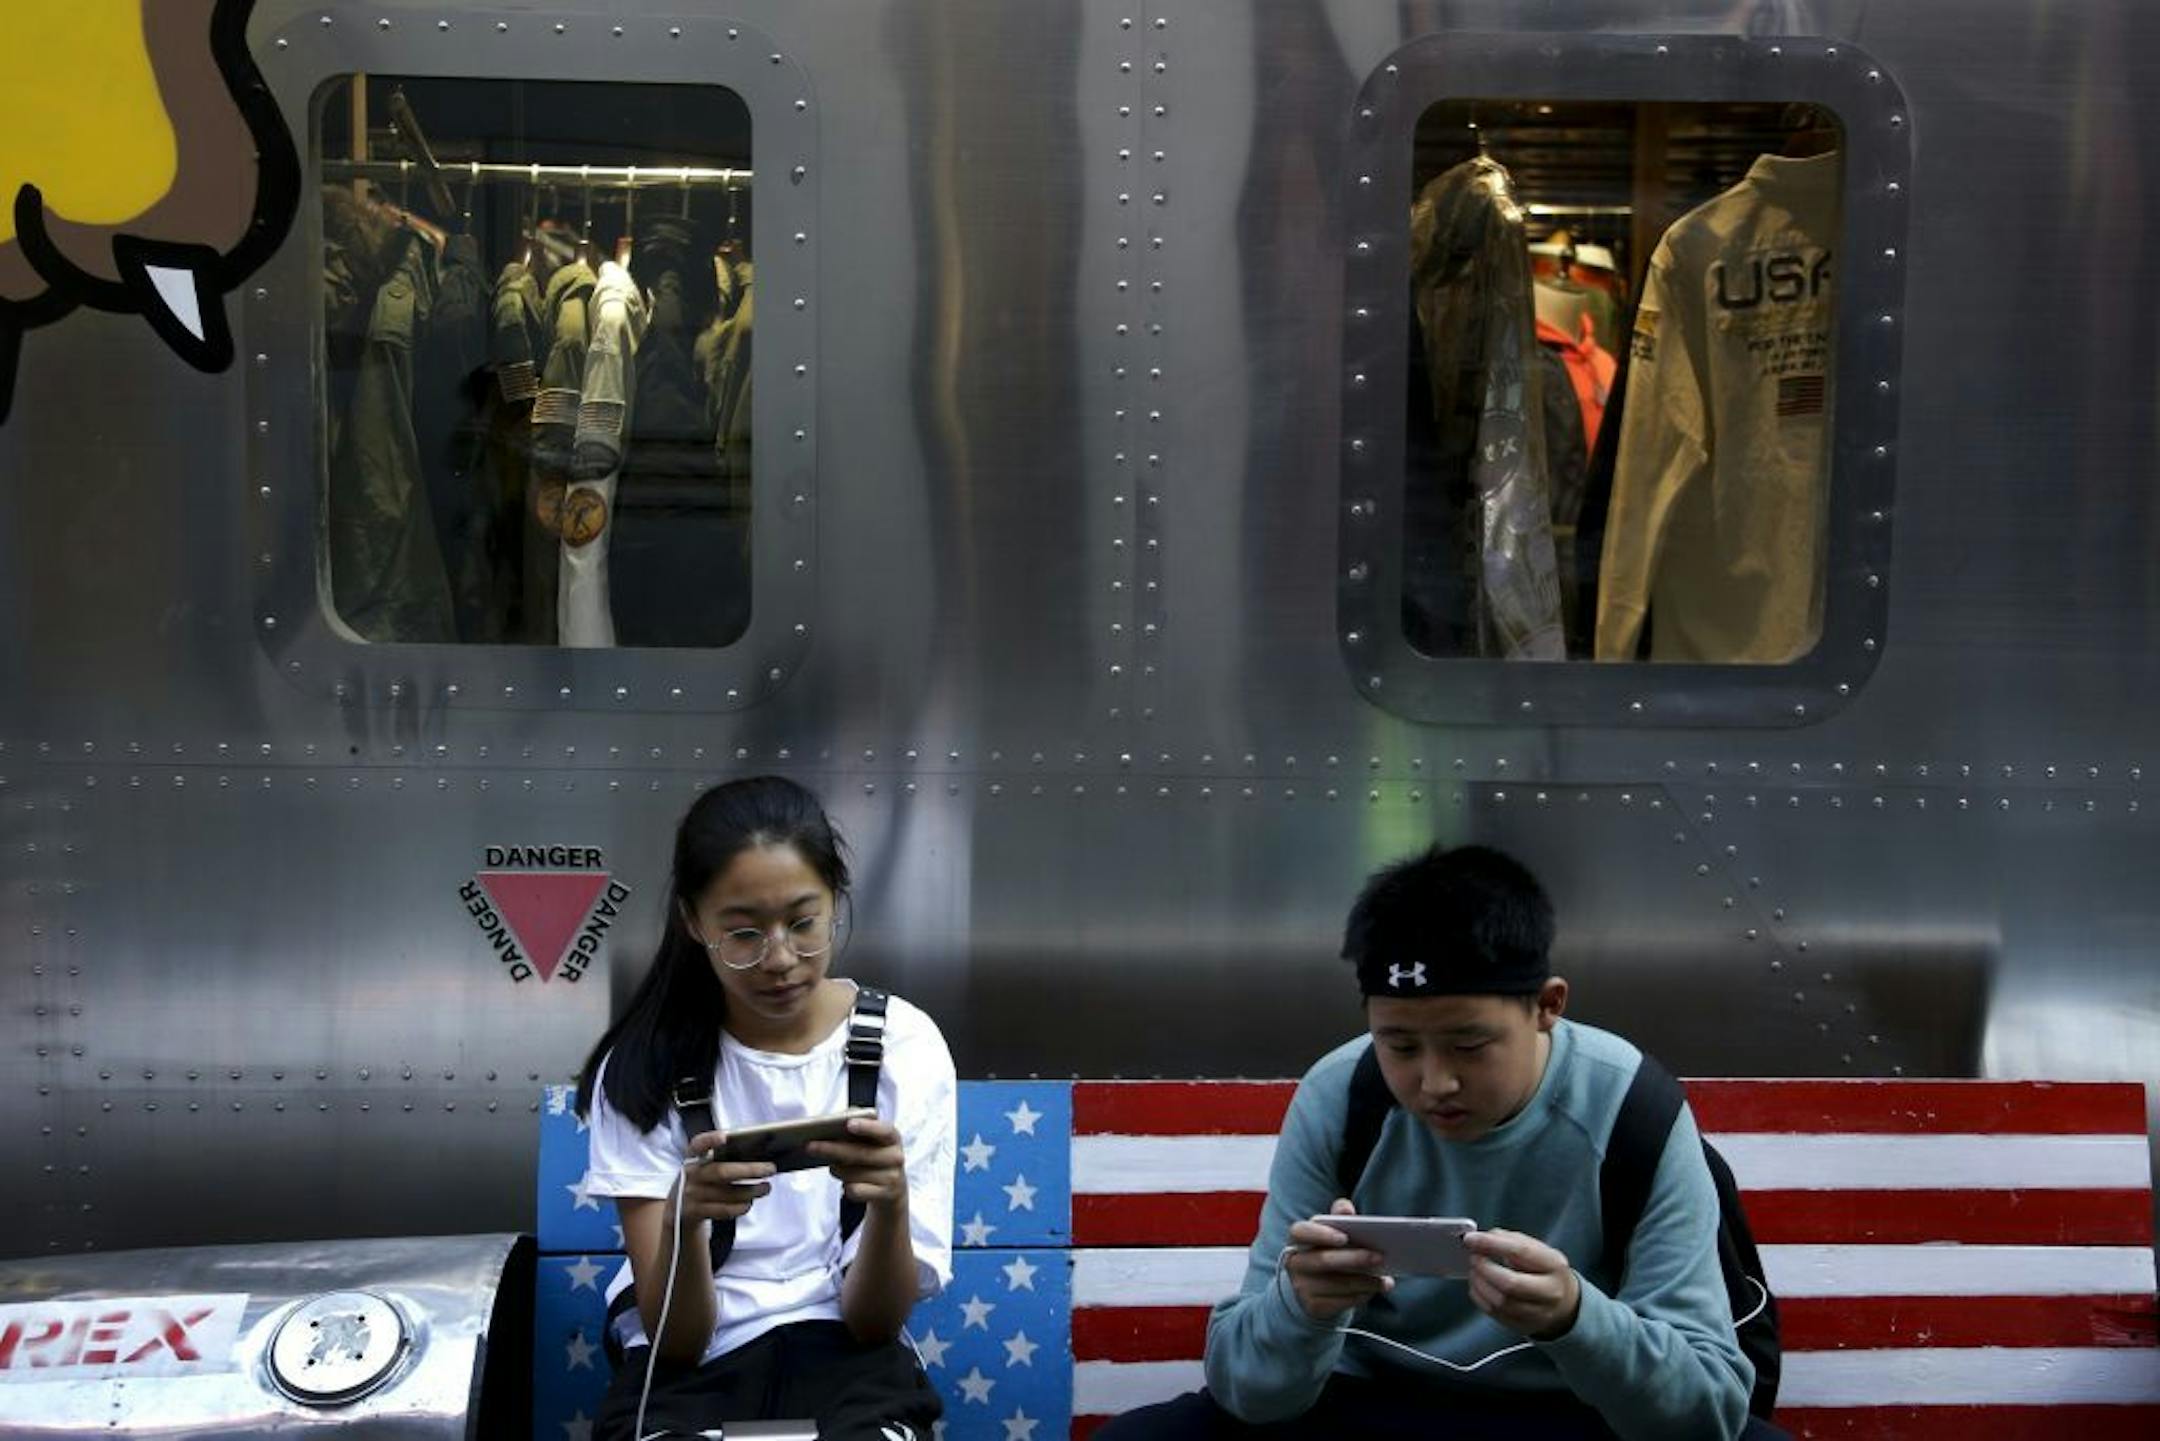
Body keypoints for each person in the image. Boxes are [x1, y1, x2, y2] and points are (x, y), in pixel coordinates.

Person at [1098, 844, 1764, 1441]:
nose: (1434, 1081)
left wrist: (1574, 1317)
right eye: (1401, 1044)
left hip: (1568, 1409)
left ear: (1548, 1006)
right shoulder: (1342, 1093)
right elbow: (1245, 1390)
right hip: (1366, 1400)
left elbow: (1706, 1415)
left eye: (1470, 1044)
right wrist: (1300, 1308)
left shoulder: (1634, 1107)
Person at [575, 776, 955, 1441]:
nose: (780, 959)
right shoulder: (642, 1069)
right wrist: (683, 1226)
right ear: (694, 921)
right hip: (691, 1370)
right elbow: (678, 1340)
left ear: (835, 901)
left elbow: (873, 1323)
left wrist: (890, 1202)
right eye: (743, 933)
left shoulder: (904, 1044)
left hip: (848, 1360)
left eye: (803, 923)